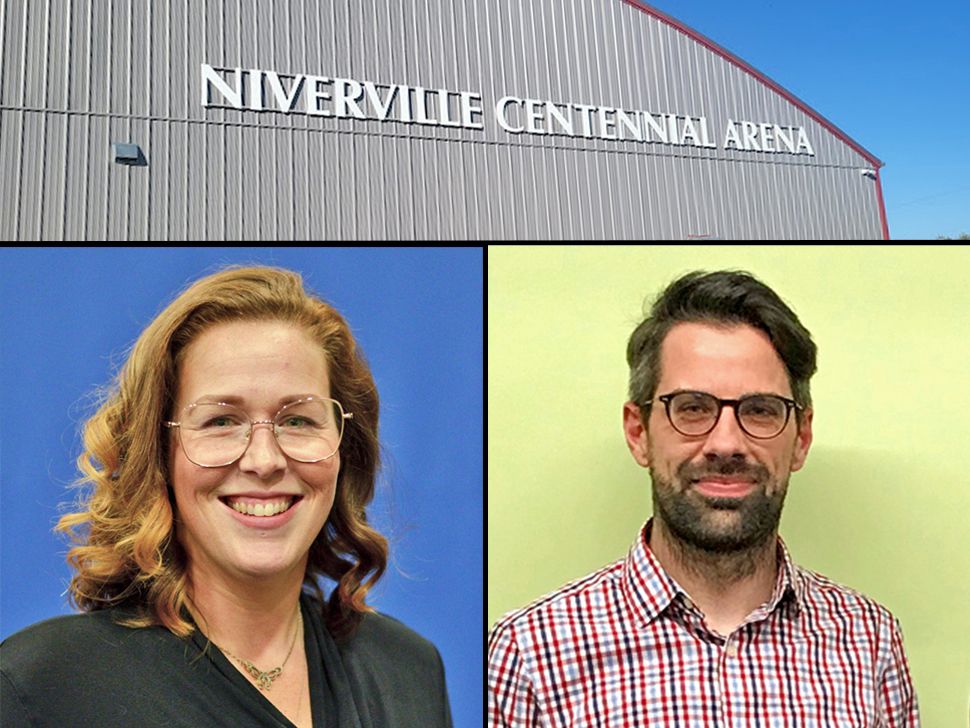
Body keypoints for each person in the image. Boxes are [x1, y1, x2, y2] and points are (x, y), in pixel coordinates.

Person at [1, 266, 453, 728]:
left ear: (343, 447)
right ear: (158, 453)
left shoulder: (408, 671)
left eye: (298, 420)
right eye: (220, 421)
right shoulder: (43, 687)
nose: (264, 460)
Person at [487, 270, 920, 727]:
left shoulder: (868, 640)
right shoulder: (531, 655)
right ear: (639, 433)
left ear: (802, 437)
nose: (726, 443)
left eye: (760, 410)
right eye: (692, 408)